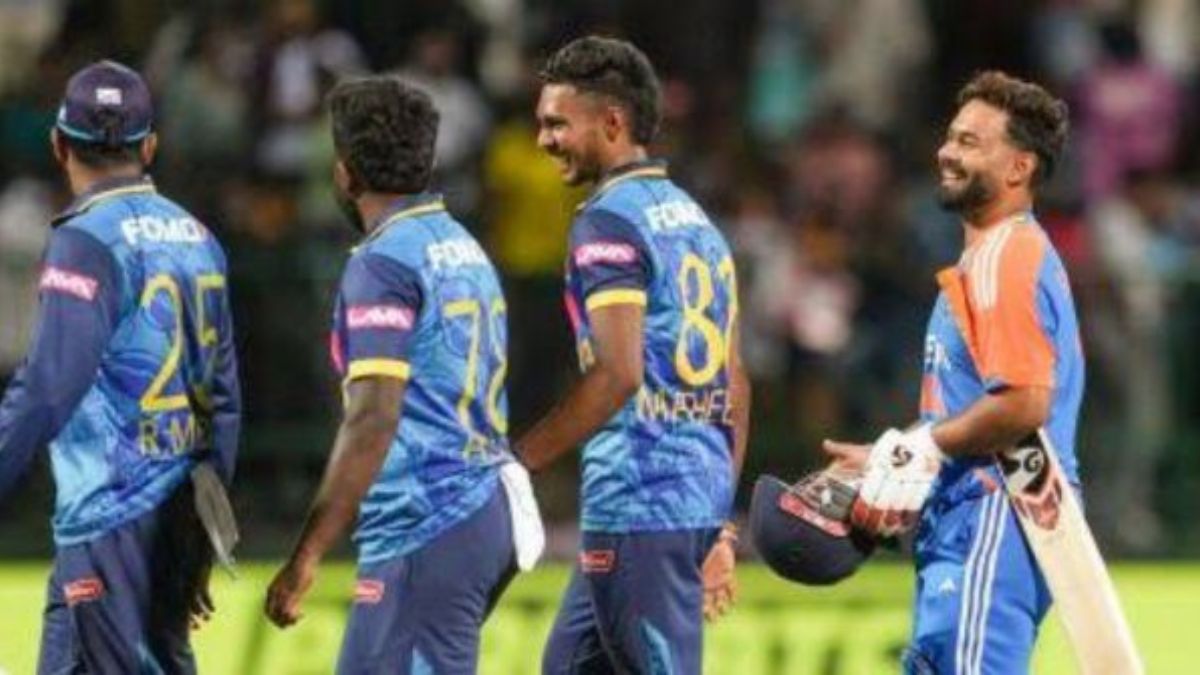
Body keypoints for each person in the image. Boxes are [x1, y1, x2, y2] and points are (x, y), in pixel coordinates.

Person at [264, 75, 541, 674]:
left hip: (430, 517)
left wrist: (307, 553)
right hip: (481, 504)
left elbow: (373, 417)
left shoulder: (383, 263)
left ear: (345, 172)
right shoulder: (462, 244)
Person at [823, 70, 1077, 674]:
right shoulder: (988, 259)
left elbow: (1024, 403)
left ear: (1018, 168)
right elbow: (969, 408)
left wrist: (923, 447)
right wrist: (893, 453)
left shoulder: (1005, 258)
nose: (946, 152)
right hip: (975, 516)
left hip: (995, 512)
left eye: (969, 142)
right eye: (950, 136)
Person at [0, 60, 241, 673]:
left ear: (59, 145)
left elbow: (47, 390)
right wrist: (202, 535)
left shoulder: (84, 239)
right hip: (174, 524)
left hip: (108, 521)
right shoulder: (200, 239)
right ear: (150, 147)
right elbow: (224, 402)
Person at [521, 36, 751, 674]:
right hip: (680, 505)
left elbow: (618, 374)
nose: (543, 140)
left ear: (612, 122)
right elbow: (734, 381)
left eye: (556, 124)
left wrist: (518, 463)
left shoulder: (607, 222)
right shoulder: (697, 222)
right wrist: (716, 522)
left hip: (639, 506)